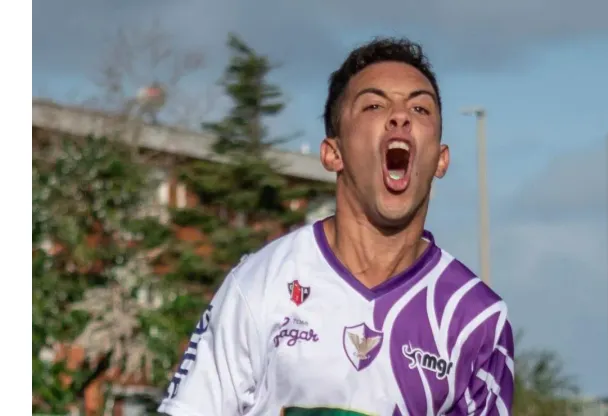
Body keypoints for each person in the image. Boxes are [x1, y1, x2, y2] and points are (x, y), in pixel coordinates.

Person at [158, 37, 515, 416]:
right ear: (333, 153)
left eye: (420, 108)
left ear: (441, 160)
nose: (400, 116)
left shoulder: (476, 318)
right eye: (374, 105)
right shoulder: (261, 282)